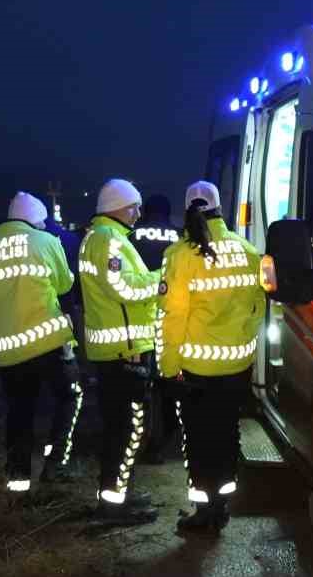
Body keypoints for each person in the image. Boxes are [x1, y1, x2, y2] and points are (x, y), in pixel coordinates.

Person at [158, 180, 266, 532]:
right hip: (237, 365)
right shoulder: (248, 250)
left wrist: (168, 367)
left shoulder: (179, 255)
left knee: (199, 439)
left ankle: (204, 511)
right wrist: (243, 343)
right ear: (220, 207)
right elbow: (258, 306)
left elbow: (173, 318)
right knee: (226, 433)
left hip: (196, 368)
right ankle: (221, 505)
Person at [0, 191, 83, 495]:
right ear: (36, 221)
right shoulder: (46, 242)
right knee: (70, 397)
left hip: (8, 353)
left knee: (20, 413)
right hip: (49, 344)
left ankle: (18, 485)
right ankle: (55, 463)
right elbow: (65, 283)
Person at [78, 178, 163, 513]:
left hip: (111, 349)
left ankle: (116, 493)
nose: (139, 213)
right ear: (118, 206)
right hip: (125, 350)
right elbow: (125, 289)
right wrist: (162, 279)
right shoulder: (110, 242)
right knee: (127, 428)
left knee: (118, 426)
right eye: (134, 206)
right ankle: (114, 502)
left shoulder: (95, 239)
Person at [131, 193, 184, 463]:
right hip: (172, 316)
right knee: (168, 383)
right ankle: (164, 440)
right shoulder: (180, 236)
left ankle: (141, 440)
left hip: (140, 320)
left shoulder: (131, 236)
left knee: (142, 384)